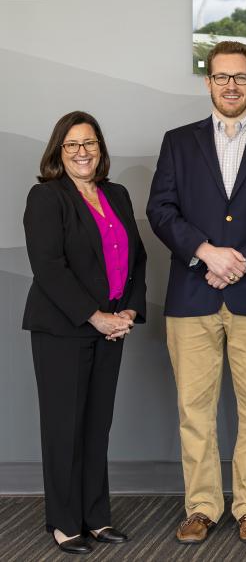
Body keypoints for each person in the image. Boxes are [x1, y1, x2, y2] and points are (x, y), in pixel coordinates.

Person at [146, 40, 246, 544]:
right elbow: (161, 208)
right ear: (208, 82)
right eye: (222, 77)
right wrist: (206, 252)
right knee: (194, 408)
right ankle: (202, 507)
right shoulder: (178, 141)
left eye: (240, 77)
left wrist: (241, 261)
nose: (231, 85)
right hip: (192, 295)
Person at [23, 111, 147, 554]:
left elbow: (137, 257)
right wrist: (95, 316)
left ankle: (96, 518)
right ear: (59, 151)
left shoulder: (116, 193)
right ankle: (63, 522)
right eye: (73, 144)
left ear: (100, 148)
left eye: (90, 143)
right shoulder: (47, 197)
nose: (82, 152)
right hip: (63, 329)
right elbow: (49, 268)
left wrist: (128, 310)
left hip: (112, 327)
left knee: (97, 427)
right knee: (64, 427)